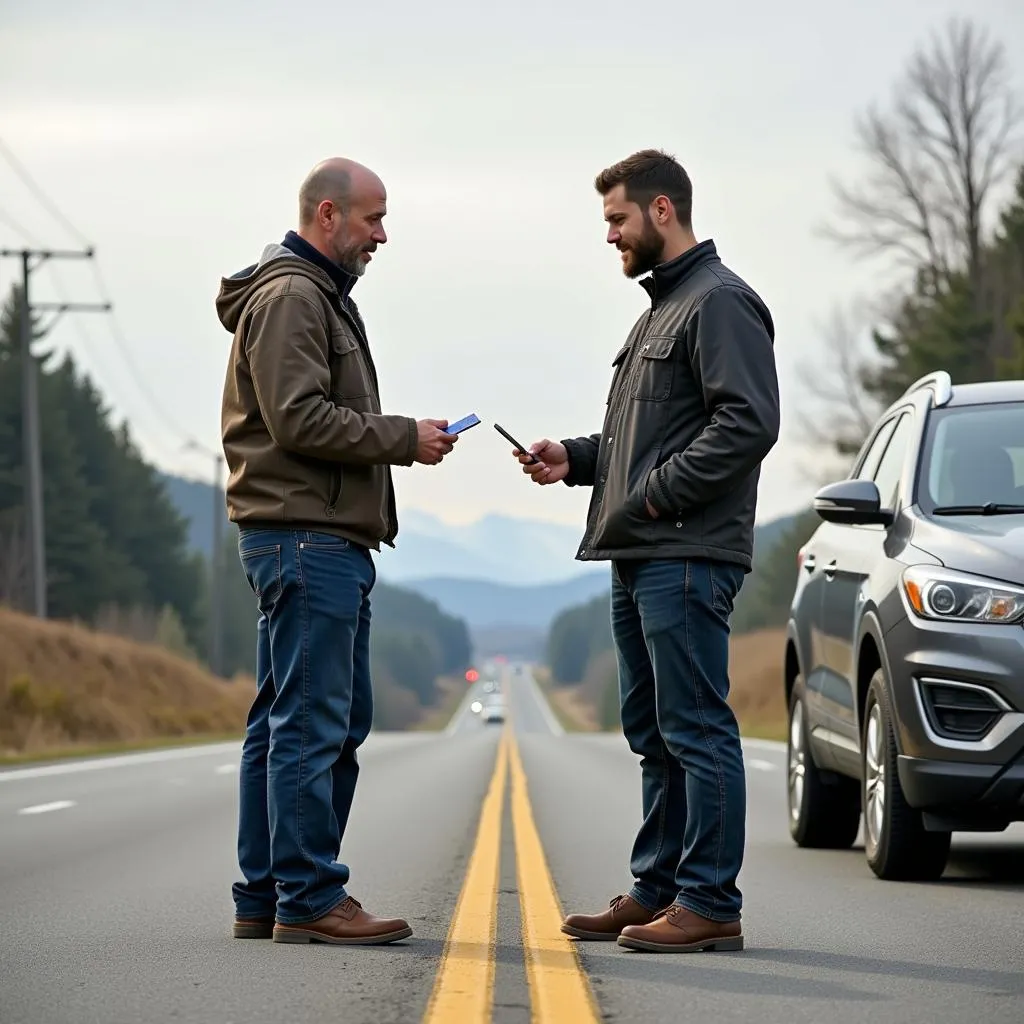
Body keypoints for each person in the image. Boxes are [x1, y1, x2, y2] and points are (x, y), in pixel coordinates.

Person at [515, 149, 779, 953]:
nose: (610, 236)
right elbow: (647, 438)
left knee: (696, 727)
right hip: (641, 554)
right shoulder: (658, 312)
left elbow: (747, 425)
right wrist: (576, 458)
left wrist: (657, 494)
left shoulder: (721, 303)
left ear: (662, 212)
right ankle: (658, 890)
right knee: (656, 733)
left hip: (688, 552)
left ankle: (709, 903)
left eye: (617, 219)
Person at [216, 157, 457, 945]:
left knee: (287, 721)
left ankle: (267, 893)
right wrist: (403, 440)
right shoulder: (293, 296)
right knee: (316, 725)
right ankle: (311, 898)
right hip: (307, 539)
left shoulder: (312, 294)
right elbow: (297, 418)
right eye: (371, 219)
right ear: (327, 215)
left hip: (306, 536)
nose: (381, 235)